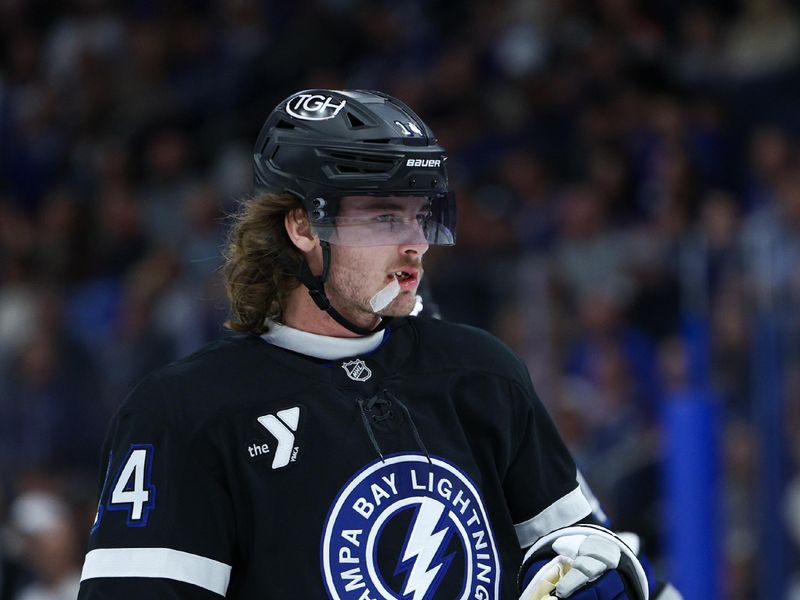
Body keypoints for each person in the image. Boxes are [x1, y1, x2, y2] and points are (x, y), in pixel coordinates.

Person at [77, 90, 680, 599]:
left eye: (422, 215)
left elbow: (588, 561)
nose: (415, 241)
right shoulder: (184, 411)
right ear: (303, 226)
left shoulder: (480, 373)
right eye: (384, 216)